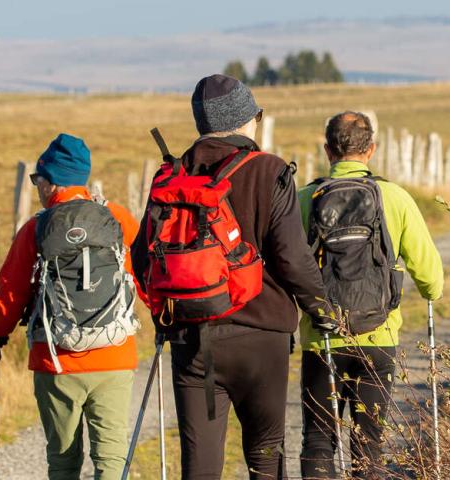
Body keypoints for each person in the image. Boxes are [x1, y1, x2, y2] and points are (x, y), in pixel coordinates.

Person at [133, 74, 335, 480]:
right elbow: (292, 258)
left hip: (194, 342)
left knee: (201, 467)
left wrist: (166, 314)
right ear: (247, 119)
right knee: (265, 458)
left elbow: (141, 258)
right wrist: (323, 309)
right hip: (262, 340)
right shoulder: (269, 171)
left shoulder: (172, 175)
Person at [0, 133, 142, 480]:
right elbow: (143, 274)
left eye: (38, 179)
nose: (37, 186)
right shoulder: (116, 217)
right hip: (114, 355)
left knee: (63, 461)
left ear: (50, 183)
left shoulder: (36, 229)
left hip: (56, 362)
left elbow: (11, 295)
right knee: (111, 460)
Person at [296, 112, 444, 479]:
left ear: (328, 149)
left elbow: (285, 269)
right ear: (371, 150)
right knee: (368, 444)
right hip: (378, 338)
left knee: (318, 441)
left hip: (322, 339)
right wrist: (426, 290)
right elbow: (432, 281)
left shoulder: (303, 199)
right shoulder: (394, 197)